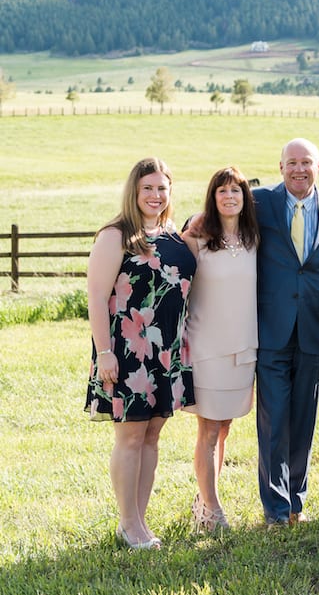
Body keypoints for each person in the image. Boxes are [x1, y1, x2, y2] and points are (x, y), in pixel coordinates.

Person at [85, 158, 195, 550]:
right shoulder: (116, 235)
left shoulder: (174, 237)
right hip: (127, 350)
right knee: (130, 438)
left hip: (167, 353)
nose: (155, 195)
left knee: (152, 437)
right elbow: (96, 298)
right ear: (134, 191)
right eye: (148, 187)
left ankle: (140, 521)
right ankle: (128, 524)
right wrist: (104, 353)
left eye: (162, 188)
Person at [252, 138, 319, 526]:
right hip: (270, 330)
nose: (299, 169)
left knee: (303, 420)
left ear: (318, 166)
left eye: (306, 162)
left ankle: (297, 502)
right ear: (280, 167)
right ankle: (275, 509)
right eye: (292, 163)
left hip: (313, 332)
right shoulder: (259, 203)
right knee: (274, 419)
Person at [181, 166, 260, 533]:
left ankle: (203, 497)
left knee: (225, 426)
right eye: (222, 191)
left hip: (243, 347)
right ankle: (212, 510)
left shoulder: (253, 238)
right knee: (209, 429)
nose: (229, 196)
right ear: (212, 198)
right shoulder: (197, 239)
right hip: (206, 347)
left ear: (246, 198)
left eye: (236, 191)